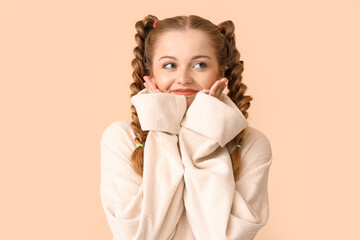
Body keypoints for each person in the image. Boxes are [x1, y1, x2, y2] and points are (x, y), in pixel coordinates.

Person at [100, 14, 273, 240]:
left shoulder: (251, 144)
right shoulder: (121, 139)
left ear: (220, 72)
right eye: (169, 65)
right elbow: (139, 236)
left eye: (199, 65)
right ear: (151, 73)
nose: (183, 78)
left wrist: (204, 132)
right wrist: (161, 128)